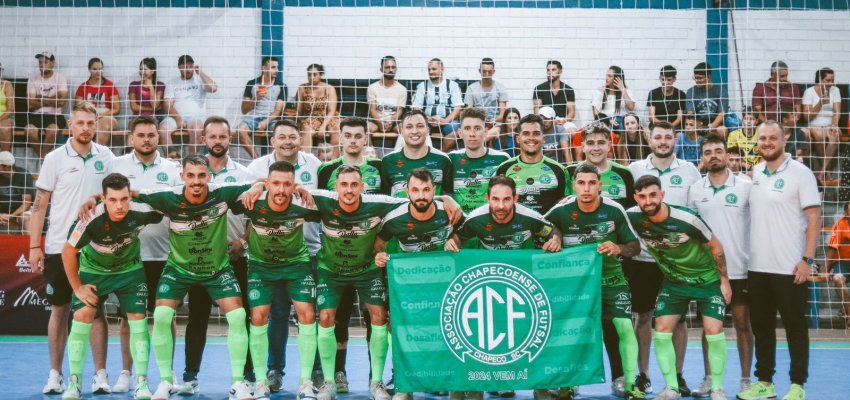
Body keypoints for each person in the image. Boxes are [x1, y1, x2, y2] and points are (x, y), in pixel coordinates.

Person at [445, 174, 561, 400]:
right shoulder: (476, 219)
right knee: (476, 335)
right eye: (495, 199)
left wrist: (556, 239)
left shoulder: (529, 217)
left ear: (515, 198)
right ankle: (466, 388)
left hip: (521, 284)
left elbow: (553, 230)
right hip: (486, 284)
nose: (501, 205)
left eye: (507, 199)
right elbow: (457, 238)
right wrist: (452, 242)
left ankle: (540, 387)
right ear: (487, 198)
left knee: (533, 333)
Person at [29, 101, 114, 395]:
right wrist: (33, 246)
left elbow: (115, 198)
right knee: (60, 310)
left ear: (97, 124)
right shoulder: (54, 158)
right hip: (57, 247)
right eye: (80, 123)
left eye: (91, 123)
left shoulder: (106, 156)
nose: (86, 128)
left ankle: (100, 375)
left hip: (95, 249)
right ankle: (55, 374)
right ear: (70, 126)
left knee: (96, 309)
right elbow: (39, 207)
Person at [627, 175, 732, 400]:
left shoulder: (687, 219)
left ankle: (717, 388)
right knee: (662, 330)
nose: (648, 201)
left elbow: (716, 247)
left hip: (707, 280)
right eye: (642, 197)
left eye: (653, 195)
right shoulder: (632, 217)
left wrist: (725, 281)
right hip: (674, 282)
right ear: (636, 198)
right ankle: (672, 388)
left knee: (714, 331)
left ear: (662, 195)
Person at [737, 121, 820, 400]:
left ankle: (797, 385)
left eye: (773, 138)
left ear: (784, 140)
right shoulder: (756, 172)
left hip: (790, 267)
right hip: (758, 267)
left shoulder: (801, 173)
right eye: (762, 139)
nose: (767, 143)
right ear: (757, 142)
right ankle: (765, 382)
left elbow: (813, 219)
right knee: (762, 328)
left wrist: (807, 260)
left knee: (795, 327)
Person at [310, 166, 409, 400]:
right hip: (331, 270)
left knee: (379, 317)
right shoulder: (323, 200)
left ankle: (376, 382)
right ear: (335, 187)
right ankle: (328, 382)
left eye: (354, 184)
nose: (349, 190)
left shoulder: (379, 203)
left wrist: (446, 198)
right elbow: (289, 190)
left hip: (367, 269)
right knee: (325, 318)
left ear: (362, 187)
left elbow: (412, 201)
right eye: (344, 184)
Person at [546, 164, 643, 400]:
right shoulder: (560, 211)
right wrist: (555, 235)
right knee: (574, 332)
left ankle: (627, 382)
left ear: (600, 185)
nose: (587, 188)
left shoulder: (614, 210)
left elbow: (636, 247)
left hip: (612, 280)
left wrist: (618, 247)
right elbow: (540, 229)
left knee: (623, 328)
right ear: (573, 185)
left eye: (592, 183)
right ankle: (569, 382)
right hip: (576, 285)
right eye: (581, 183)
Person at [60, 173, 161, 400]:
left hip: (129, 272)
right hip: (94, 272)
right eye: (113, 200)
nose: (120, 205)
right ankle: (74, 381)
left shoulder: (140, 212)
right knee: (83, 314)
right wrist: (77, 288)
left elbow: (166, 205)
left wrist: (139, 195)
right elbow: (68, 252)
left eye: (124, 199)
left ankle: (141, 381)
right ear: (103, 200)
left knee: (137, 317)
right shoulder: (89, 218)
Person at [175, 116, 256, 396]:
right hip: (201, 260)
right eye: (213, 137)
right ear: (204, 140)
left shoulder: (243, 176)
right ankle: (189, 377)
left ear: (229, 139)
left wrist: (243, 243)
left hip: (235, 259)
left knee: (241, 317)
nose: (218, 141)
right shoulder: (194, 174)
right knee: (197, 318)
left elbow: (253, 218)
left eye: (223, 136)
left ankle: (246, 377)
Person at [230, 160, 322, 399]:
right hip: (263, 267)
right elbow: (225, 194)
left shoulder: (304, 203)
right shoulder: (252, 202)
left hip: (296, 265)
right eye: (276, 184)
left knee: (308, 314)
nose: (281, 190)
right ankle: (261, 380)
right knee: (259, 316)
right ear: (268, 183)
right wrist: (256, 186)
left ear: (295, 186)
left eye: (287, 184)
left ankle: (306, 381)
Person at [105, 116, 181, 393]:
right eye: (141, 135)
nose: (146, 139)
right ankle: (127, 372)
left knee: (165, 317)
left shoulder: (172, 169)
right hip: (129, 256)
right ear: (131, 138)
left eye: (151, 134)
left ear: (158, 137)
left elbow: (177, 208)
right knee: (128, 318)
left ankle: (167, 374)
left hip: (164, 255)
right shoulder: (118, 166)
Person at [374, 168, 463, 400]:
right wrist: (380, 254)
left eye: (426, 190)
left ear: (434, 190)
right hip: (411, 284)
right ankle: (406, 385)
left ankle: (451, 382)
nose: (421, 195)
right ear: (407, 192)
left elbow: (467, 229)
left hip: (446, 282)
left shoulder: (450, 210)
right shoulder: (395, 218)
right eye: (415, 190)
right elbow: (379, 242)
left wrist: (453, 238)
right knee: (404, 330)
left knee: (451, 329)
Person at [627, 121, 701, 396]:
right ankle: (643, 374)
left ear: (675, 139)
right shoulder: (634, 170)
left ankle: (678, 375)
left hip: (677, 261)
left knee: (679, 319)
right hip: (644, 260)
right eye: (658, 137)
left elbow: (694, 215)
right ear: (649, 139)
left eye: (668, 137)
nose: (663, 141)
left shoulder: (690, 170)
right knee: (643, 316)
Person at [687, 135, 754, 396]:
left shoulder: (746, 187)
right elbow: (692, 232)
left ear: (727, 155)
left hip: (740, 269)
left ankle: (747, 379)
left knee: (742, 324)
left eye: (718, 150)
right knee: (710, 327)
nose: (713, 155)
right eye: (708, 152)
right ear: (702, 158)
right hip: (708, 272)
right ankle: (708, 378)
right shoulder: (695, 190)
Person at [496, 113, 570, 215]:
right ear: (518, 139)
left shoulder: (559, 170)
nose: (531, 138)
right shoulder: (504, 168)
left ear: (543, 138)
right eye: (526, 133)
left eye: (536, 133)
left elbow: (565, 206)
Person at [449, 107, 510, 214]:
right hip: (461, 223)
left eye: (477, 128)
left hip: (490, 222)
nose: (472, 134)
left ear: (486, 131)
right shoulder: (451, 159)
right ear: (460, 133)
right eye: (467, 128)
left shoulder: (502, 159)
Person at [381, 110, 454, 198]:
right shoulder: (388, 160)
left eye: (420, 126)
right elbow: (384, 198)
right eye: (409, 127)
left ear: (427, 130)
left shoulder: (443, 159)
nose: (414, 131)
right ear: (401, 131)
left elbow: (449, 197)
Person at [160, 55, 218, 154]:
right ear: (179, 67)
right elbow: (167, 105)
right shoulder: (172, 83)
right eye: (185, 67)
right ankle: (172, 160)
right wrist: (178, 118)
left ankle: (191, 160)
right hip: (175, 117)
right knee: (163, 129)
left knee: (196, 128)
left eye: (190, 67)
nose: (188, 70)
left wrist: (200, 73)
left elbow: (213, 88)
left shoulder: (200, 80)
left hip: (195, 118)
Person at [237, 56, 287, 159]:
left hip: (271, 119)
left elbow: (278, 111)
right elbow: (244, 109)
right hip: (254, 118)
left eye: (277, 67)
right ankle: (257, 160)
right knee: (240, 130)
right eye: (273, 67)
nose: (276, 70)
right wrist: (255, 99)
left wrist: (265, 122)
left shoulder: (281, 86)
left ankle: (271, 161)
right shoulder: (252, 84)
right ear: (264, 68)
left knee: (278, 132)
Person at [319, 117, 384, 194]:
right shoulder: (326, 169)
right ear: (340, 138)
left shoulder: (380, 166)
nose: (353, 141)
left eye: (358, 136)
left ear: (366, 139)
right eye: (348, 136)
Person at [411, 58, 463, 152]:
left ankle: (442, 154)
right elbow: (416, 108)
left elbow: (458, 108)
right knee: (418, 127)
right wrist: (427, 118)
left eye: (434, 69)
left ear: (442, 69)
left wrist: (445, 120)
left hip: (447, 121)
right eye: (429, 69)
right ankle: (425, 155)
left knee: (456, 127)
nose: (431, 72)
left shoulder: (452, 85)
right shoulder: (422, 86)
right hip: (428, 121)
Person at [26, 51, 69, 158]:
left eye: (45, 62)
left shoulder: (60, 78)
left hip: (55, 115)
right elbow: (30, 104)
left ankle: (43, 158)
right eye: (40, 62)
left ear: (52, 63)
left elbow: (61, 102)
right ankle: (43, 157)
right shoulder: (33, 79)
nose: (41, 64)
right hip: (36, 114)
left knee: (53, 129)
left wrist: (40, 98)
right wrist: (54, 98)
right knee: (29, 130)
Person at [801, 67, 841, 179]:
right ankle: (827, 171)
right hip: (814, 124)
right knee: (819, 135)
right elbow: (806, 117)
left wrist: (834, 125)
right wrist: (820, 103)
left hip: (829, 124)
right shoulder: (809, 92)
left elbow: (837, 112)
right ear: (820, 79)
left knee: (835, 135)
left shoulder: (835, 90)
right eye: (828, 80)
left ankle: (823, 170)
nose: (831, 83)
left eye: (832, 80)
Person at [75, 57, 120, 146]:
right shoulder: (83, 87)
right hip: (88, 117)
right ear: (89, 70)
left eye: (100, 69)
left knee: (102, 126)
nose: (98, 71)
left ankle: (97, 156)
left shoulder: (109, 85)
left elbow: (117, 109)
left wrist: (101, 115)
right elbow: (77, 108)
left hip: (107, 116)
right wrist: (91, 116)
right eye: (94, 69)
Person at [297, 64, 339, 156]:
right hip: (311, 117)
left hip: (329, 117)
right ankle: (305, 159)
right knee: (306, 129)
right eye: (309, 74)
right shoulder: (302, 88)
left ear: (321, 75)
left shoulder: (329, 88)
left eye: (314, 74)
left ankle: (334, 160)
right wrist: (300, 121)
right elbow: (299, 110)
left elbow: (332, 110)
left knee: (336, 129)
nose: (311, 77)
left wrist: (323, 126)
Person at [464, 58, 509, 142]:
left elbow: (503, 114)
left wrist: (493, 121)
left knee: (482, 139)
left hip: (496, 123)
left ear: (493, 72)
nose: (487, 74)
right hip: (477, 122)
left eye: (490, 71)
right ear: (479, 71)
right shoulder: (471, 88)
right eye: (484, 71)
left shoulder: (500, 87)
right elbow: (468, 111)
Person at [367, 56, 406, 147]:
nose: (391, 70)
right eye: (387, 67)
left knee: (405, 131)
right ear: (381, 69)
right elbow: (372, 109)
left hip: (394, 123)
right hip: (376, 121)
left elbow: (399, 110)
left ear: (396, 69)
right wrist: (380, 122)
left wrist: (390, 122)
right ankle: (371, 156)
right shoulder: (372, 87)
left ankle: (397, 156)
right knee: (365, 130)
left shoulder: (402, 89)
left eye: (393, 67)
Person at [823, 202, 850, 327]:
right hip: (842, 262)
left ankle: (845, 309)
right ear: (846, 213)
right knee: (838, 279)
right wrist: (825, 269)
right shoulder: (840, 225)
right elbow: (832, 249)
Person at [686, 62, 728, 138]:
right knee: (690, 128)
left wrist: (712, 125)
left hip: (715, 123)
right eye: (695, 78)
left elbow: (722, 113)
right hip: (698, 123)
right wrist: (698, 125)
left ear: (708, 77)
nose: (697, 80)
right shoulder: (691, 91)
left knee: (722, 130)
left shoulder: (721, 90)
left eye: (700, 78)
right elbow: (690, 113)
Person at [532, 60, 576, 129]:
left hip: (563, 121)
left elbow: (571, 112)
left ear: (560, 71)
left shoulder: (568, 90)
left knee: (572, 131)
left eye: (553, 70)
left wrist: (563, 121)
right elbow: (536, 112)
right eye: (548, 70)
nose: (550, 72)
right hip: (545, 122)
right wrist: (550, 122)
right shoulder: (539, 89)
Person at [591, 65, 635, 130]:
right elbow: (596, 114)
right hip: (605, 120)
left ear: (617, 78)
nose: (606, 78)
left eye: (609, 76)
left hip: (622, 120)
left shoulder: (625, 90)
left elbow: (631, 107)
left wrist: (622, 89)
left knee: (625, 128)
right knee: (607, 129)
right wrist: (609, 121)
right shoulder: (600, 91)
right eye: (606, 75)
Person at [0, 151, 33, 229]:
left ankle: (28, 241)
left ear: (7, 167)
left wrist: (11, 216)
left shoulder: (24, 175)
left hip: (20, 212)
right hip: (1, 213)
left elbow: (27, 203)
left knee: (26, 218)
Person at [0, 62, 16, 152]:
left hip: (5, 117)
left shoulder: (7, 85)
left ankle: (6, 163)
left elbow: (10, 109)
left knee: (4, 129)